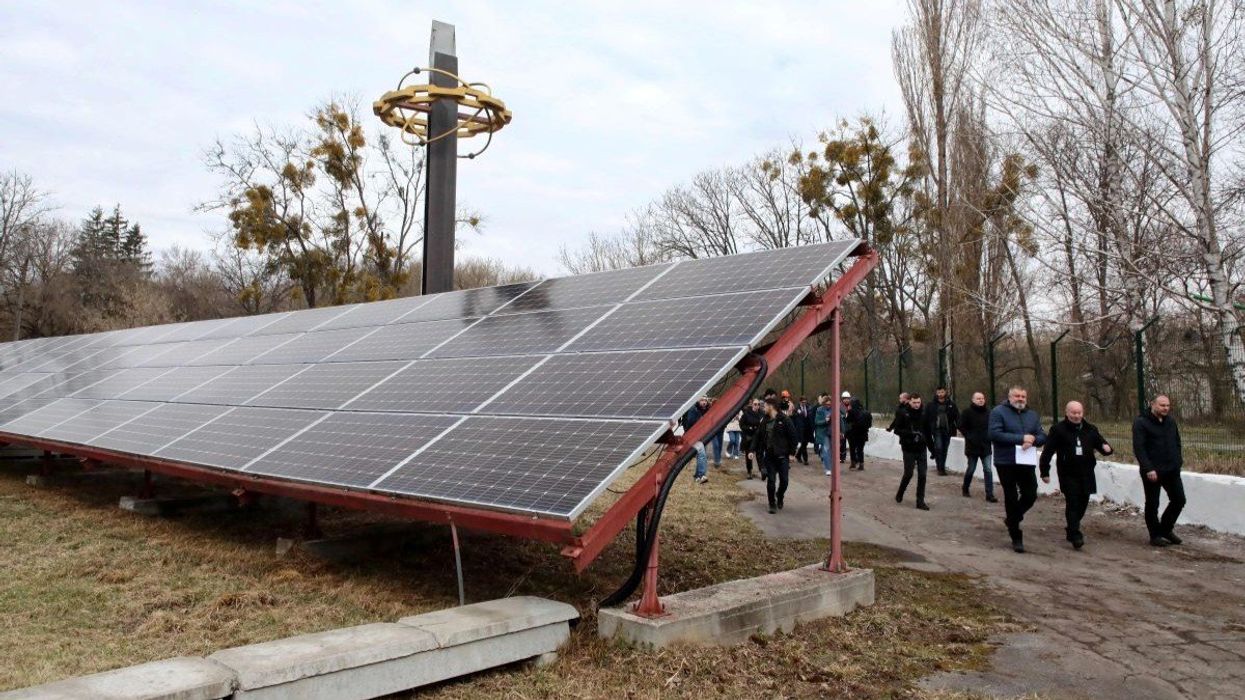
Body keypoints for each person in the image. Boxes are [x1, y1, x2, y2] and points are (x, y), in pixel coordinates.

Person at [1040, 400, 1113, 550]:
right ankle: (1075, 534)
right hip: (1068, 473)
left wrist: (1107, 449)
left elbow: (1102, 444)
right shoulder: (1058, 430)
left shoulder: (1090, 429)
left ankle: (1071, 528)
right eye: (1073, 413)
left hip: (1086, 473)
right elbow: (1047, 451)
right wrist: (1044, 471)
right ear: (1067, 413)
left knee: (1083, 502)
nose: (1076, 415)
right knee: (1072, 502)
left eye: (1079, 412)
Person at [989, 385, 1048, 553]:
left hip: (1025, 460)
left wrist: (1033, 440)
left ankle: (1013, 518)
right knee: (1011, 496)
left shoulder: (1032, 415)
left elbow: (1042, 435)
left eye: (1023, 396)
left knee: (1030, 493)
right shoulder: (998, 412)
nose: (1020, 399)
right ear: (1010, 397)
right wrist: (1020, 438)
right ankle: (1016, 535)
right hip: (1005, 461)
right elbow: (994, 434)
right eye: (1017, 396)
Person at [1132, 395, 1186, 547]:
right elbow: (1139, 448)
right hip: (1152, 471)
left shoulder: (1170, 421)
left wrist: (1178, 461)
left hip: (1171, 469)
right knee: (1152, 503)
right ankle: (1155, 535)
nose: (1166, 408)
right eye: (1162, 405)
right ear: (1153, 404)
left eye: (1168, 405)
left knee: (1179, 499)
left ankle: (1166, 529)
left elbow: (1177, 441)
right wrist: (1148, 468)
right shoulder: (1141, 422)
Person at [748, 397, 797, 514]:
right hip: (770, 457)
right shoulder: (764, 421)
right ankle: (772, 504)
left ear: (771, 407)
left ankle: (780, 496)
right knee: (771, 481)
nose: (763, 408)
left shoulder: (784, 420)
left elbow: (793, 437)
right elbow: (757, 436)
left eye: (764, 406)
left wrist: (792, 453)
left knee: (784, 481)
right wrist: (751, 450)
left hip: (783, 456)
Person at [892, 393, 931, 510]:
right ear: (909, 402)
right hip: (908, 448)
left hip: (921, 448)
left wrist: (933, 449)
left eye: (918, 402)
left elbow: (928, 432)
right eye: (914, 402)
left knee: (923, 474)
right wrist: (910, 434)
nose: (916, 405)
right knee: (909, 473)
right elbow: (897, 430)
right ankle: (900, 492)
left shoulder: (924, 413)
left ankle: (920, 501)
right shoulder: (903, 413)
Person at [959, 392, 997, 502]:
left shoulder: (989, 413)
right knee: (971, 469)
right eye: (978, 398)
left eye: (982, 398)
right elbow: (960, 425)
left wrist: (991, 437)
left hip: (986, 446)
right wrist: (969, 436)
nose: (981, 400)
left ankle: (989, 494)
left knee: (988, 469)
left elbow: (993, 426)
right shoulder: (967, 412)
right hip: (972, 446)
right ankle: (965, 488)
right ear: (973, 400)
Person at [923, 386, 959, 476]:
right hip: (936, 429)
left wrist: (960, 427)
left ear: (945, 392)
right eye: (938, 392)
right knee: (939, 447)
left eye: (942, 392)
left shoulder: (951, 404)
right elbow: (926, 417)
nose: (940, 394)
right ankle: (940, 468)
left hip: (948, 429)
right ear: (936, 393)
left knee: (945, 449)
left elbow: (957, 417)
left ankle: (942, 466)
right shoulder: (931, 405)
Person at [681, 397, 712, 485]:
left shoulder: (708, 410)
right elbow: (689, 422)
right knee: (701, 454)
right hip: (693, 436)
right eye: (702, 400)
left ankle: (697, 476)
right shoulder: (693, 410)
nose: (704, 402)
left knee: (702, 455)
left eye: (705, 400)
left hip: (702, 436)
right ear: (698, 401)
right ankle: (702, 475)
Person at [738, 399, 764, 479]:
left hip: (759, 437)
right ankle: (749, 471)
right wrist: (749, 428)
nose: (757, 406)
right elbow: (741, 424)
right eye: (755, 404)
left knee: (759, 454)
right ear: (752, 405)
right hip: (749, 436)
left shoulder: (762, 414)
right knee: (749, 455)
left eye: (758, 404)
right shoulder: (746, 414)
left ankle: (762, 470)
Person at [845, 395, 871, 471]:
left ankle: (853, 463)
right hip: (863, 434)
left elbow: (847, 421)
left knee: (852, 448)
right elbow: (869, 424)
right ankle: (861, 464)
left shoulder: (851, 411)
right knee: (860, 449)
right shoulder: (866, 412)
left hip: (852, 434)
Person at [814, 394, 834, 476]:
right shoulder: (819, 410)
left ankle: (831, 466)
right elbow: (817, 422)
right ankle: (828, 468)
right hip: (824, 433)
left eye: (830, 404)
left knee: (832, 451)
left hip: (832, 432)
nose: (828, 406)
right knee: (826, 450)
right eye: (827, 404)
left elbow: (840, 419)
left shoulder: (834, 409)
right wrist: (825, 420)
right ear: (824, 403)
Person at [792, 396, 813, 465]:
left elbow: (809, 416)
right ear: (800, 402)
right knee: (803, 443)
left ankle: (798, 455)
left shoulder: (808, 407)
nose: (804, 403)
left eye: (805, 402)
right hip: (800, 429)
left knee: (805, 444)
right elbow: (794, 417)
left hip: (807, 428)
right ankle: (805, 459)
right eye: (802, 402)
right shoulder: (796, 408)